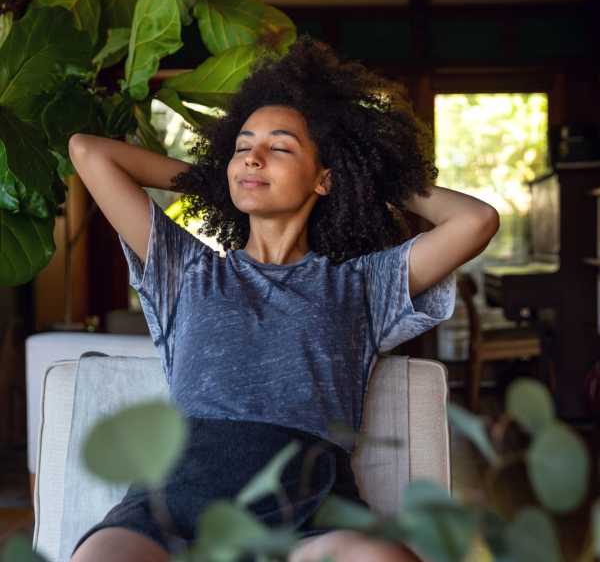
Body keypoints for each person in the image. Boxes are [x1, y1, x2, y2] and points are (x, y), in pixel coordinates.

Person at [67, 35, 499, 562]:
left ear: (323, 179)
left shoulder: (363, 285)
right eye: (242, 147)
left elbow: (476, 221)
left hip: (306, 512)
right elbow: (88, 151)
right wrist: (215, 180)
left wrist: (371, 176)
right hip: (171, 504)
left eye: (280, 148)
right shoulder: (186, 270)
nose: (253, 158)